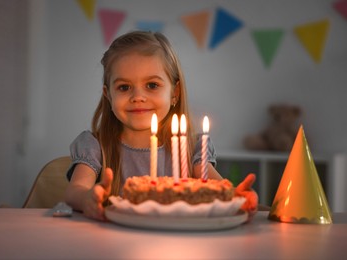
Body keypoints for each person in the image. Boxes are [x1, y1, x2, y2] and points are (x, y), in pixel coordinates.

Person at [64, 31, 258, 221]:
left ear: (175, 92)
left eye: (152, 85)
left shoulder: (191, 148)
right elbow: (75, 191)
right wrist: (87, 199)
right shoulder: (95, 145)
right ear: (108, 95)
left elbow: (217, 187)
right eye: (124, 87)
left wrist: (236, 196)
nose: (138, 97)